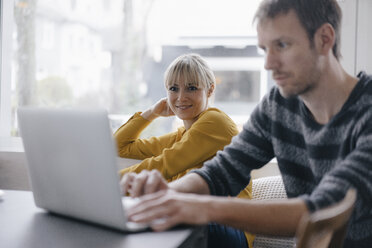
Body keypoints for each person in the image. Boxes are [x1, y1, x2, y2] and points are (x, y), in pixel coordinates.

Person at [120, 0, 372, 247]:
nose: (268, 64)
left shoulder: (367, 114)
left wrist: (201, 207)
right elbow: (222, 171)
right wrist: (169, 193)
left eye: (282, 45)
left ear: (324, 39)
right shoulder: (279, 105)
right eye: (264, 49)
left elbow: (324, 209)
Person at [115, 53, 254, 246]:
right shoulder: (181, 136)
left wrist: (110, 185)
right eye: (173, 89)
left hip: (229, 229)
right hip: (197, 221)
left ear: (210, 90)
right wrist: (151, 113)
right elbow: (120, 146)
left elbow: (164, 165)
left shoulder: (215, 122)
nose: (181, 97)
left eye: (191, 88)